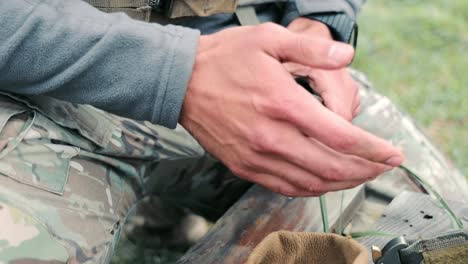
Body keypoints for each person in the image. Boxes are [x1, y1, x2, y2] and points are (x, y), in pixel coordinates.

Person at [0, 0, 405, 263]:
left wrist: (317, 23)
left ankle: (167, 223)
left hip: (259, 70)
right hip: (43, 93)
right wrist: (177, 73)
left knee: (418, 222)